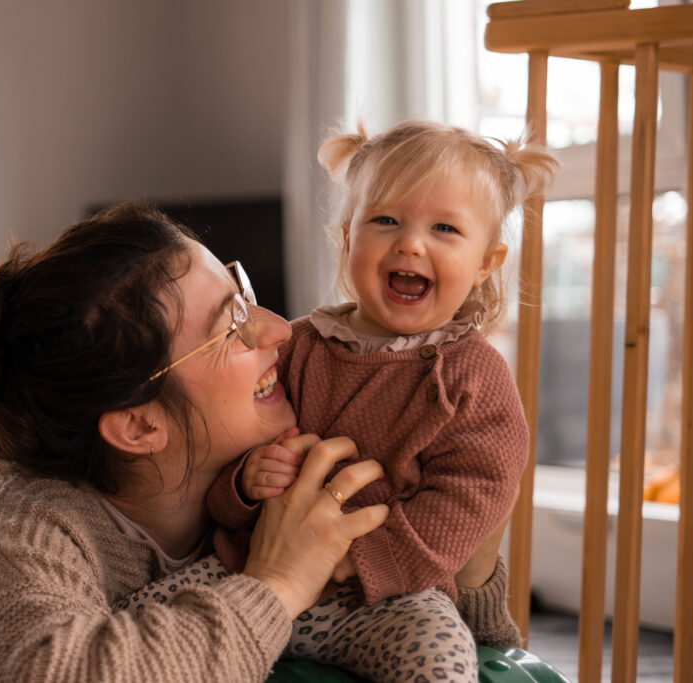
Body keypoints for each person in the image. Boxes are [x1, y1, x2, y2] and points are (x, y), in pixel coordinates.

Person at [0, 200, 395, 682]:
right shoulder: (21, 528)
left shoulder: (286, 424)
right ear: (140, 427)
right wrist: (277, 586)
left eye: (244, 295)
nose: (280, 330)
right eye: (232, 323)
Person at [207, 120, 558, 662]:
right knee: (149, 612)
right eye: (386, 219)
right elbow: (231, 435)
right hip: (254, 577)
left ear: (486, 264)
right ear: (348, 238)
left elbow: (470, 494)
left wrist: (361, 557)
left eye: (444, 229)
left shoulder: (473, 375)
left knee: (441, 659)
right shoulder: (296, 344)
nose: (411, 242)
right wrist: (245, 485)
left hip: (385, 601)